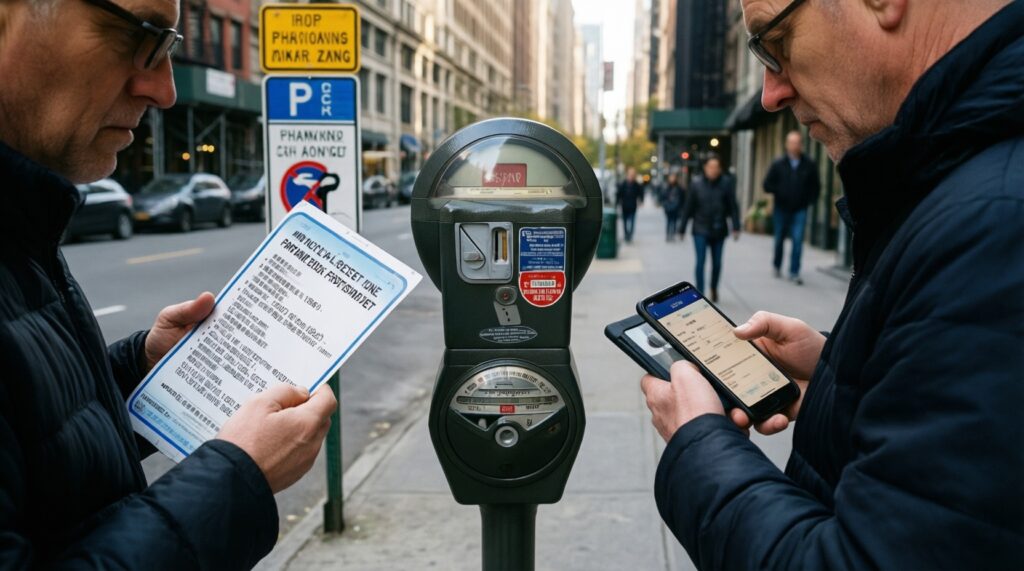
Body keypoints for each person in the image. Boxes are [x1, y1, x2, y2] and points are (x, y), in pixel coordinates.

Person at [641, 0, 1023, 568]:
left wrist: (699, 443)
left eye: (778, 41)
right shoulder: (967, 182)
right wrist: (843, 370)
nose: (772, 92)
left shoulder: (993, 223)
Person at [0, 1, 336, 567]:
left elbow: (31, 445)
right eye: (143, 38)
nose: (163, 89)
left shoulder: (22, 222)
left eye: (171, 48)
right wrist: (236, 476)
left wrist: (143, 370)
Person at [678, 157, 740, 302]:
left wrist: (736, 227)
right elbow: (688, 207)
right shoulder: (696, 184)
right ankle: (699, 292)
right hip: (700, 228)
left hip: (719, 229)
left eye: (716, 167)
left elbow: (733, 206)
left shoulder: (726, 183)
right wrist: (682, 228)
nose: (713, 170)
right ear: (705, 168)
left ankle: (713, 287)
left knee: (717, 262)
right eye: (710, 167)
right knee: (700, 261)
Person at [763, 130, 820, 284]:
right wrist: (779, 191)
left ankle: (794, 271)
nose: (794, 146)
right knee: (779, 239)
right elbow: (767, 184)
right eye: (792, 142)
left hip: (800, 209)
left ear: (801, 145)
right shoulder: (778, 164)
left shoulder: (809, 164)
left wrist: (809, 201)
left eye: (797, 143)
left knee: (797, 240)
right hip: (781, 208)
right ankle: (777, 265)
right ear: (787, 145)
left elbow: (815, 187)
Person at [616, 167, 643, 243]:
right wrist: (617, 202)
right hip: (624, 206)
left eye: (632, 175)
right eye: (630, 175)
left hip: (633, 206)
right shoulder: (623, 184)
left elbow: (641, 193)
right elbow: (619, 194)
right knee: (624, 222)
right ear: (627, 175)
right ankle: (626, 235)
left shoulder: (636, 184)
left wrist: (641, 200)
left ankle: (630, 235)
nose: (631, 176)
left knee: (632, 222)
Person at [660, 173, 685, 241]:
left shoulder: (679, 188)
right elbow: (663, 197)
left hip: (676, 208)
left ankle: (673, 235)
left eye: (673, 177)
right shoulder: (666, 187)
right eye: (671, 177)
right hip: (668, 207)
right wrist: (665, 205)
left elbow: (682, 198)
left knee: (674, 222)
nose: (672, 179)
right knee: (668, 222)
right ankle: (668, 235)